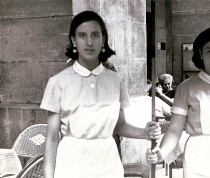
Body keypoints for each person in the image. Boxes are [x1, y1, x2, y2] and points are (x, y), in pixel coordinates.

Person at [41, 11, 161, 178]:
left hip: (108, 165)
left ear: (103, 39)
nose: (89, 42)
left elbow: (119, 125)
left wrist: (144, 132)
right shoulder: (58, 82)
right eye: (82, 35)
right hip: (71, 165)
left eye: (95, 35)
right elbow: (52, 137)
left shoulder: (116, 81)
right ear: (74, 40)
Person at [146, 27, 210, 177]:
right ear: (200, 54)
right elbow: (175, 130)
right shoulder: (186, 88)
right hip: (200, 161)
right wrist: (161, 153)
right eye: (209, 51)